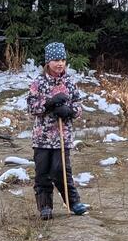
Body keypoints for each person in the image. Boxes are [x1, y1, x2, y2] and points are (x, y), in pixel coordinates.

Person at [25, 42, 88, 219]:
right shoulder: (38, 82)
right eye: (55, 60)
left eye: (62, 60)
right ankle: (45, 206)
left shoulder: (69, 82)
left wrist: (70, 111)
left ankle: (74, 202)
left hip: (63, 137)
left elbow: (78, 107)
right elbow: (31, 107)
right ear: (48, 62)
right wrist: (48, 104)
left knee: (61, 171)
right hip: (42, 138)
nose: (59, 63)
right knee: (43, 172)